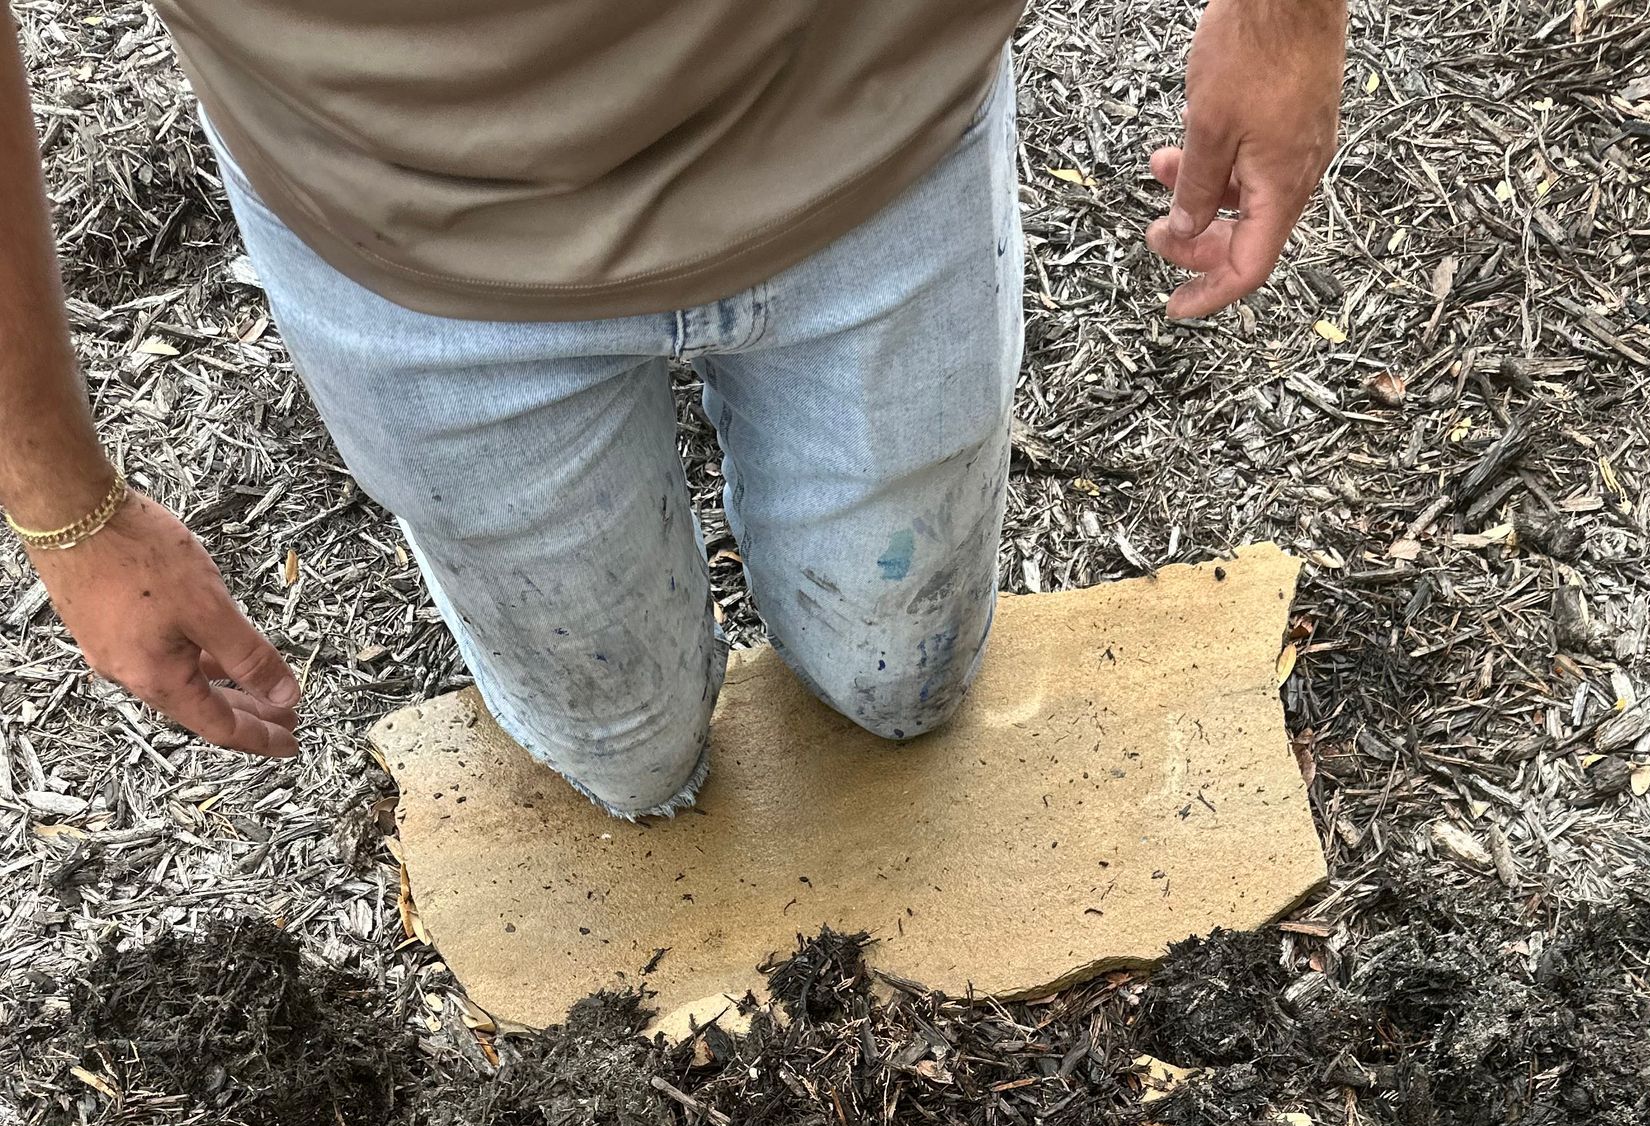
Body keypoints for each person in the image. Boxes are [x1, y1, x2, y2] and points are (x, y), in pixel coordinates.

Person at [0, 0, 1347, 809]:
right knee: (627, 760)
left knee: (904, 685)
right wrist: (63, 502)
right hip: (410, 240)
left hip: (875, 132)